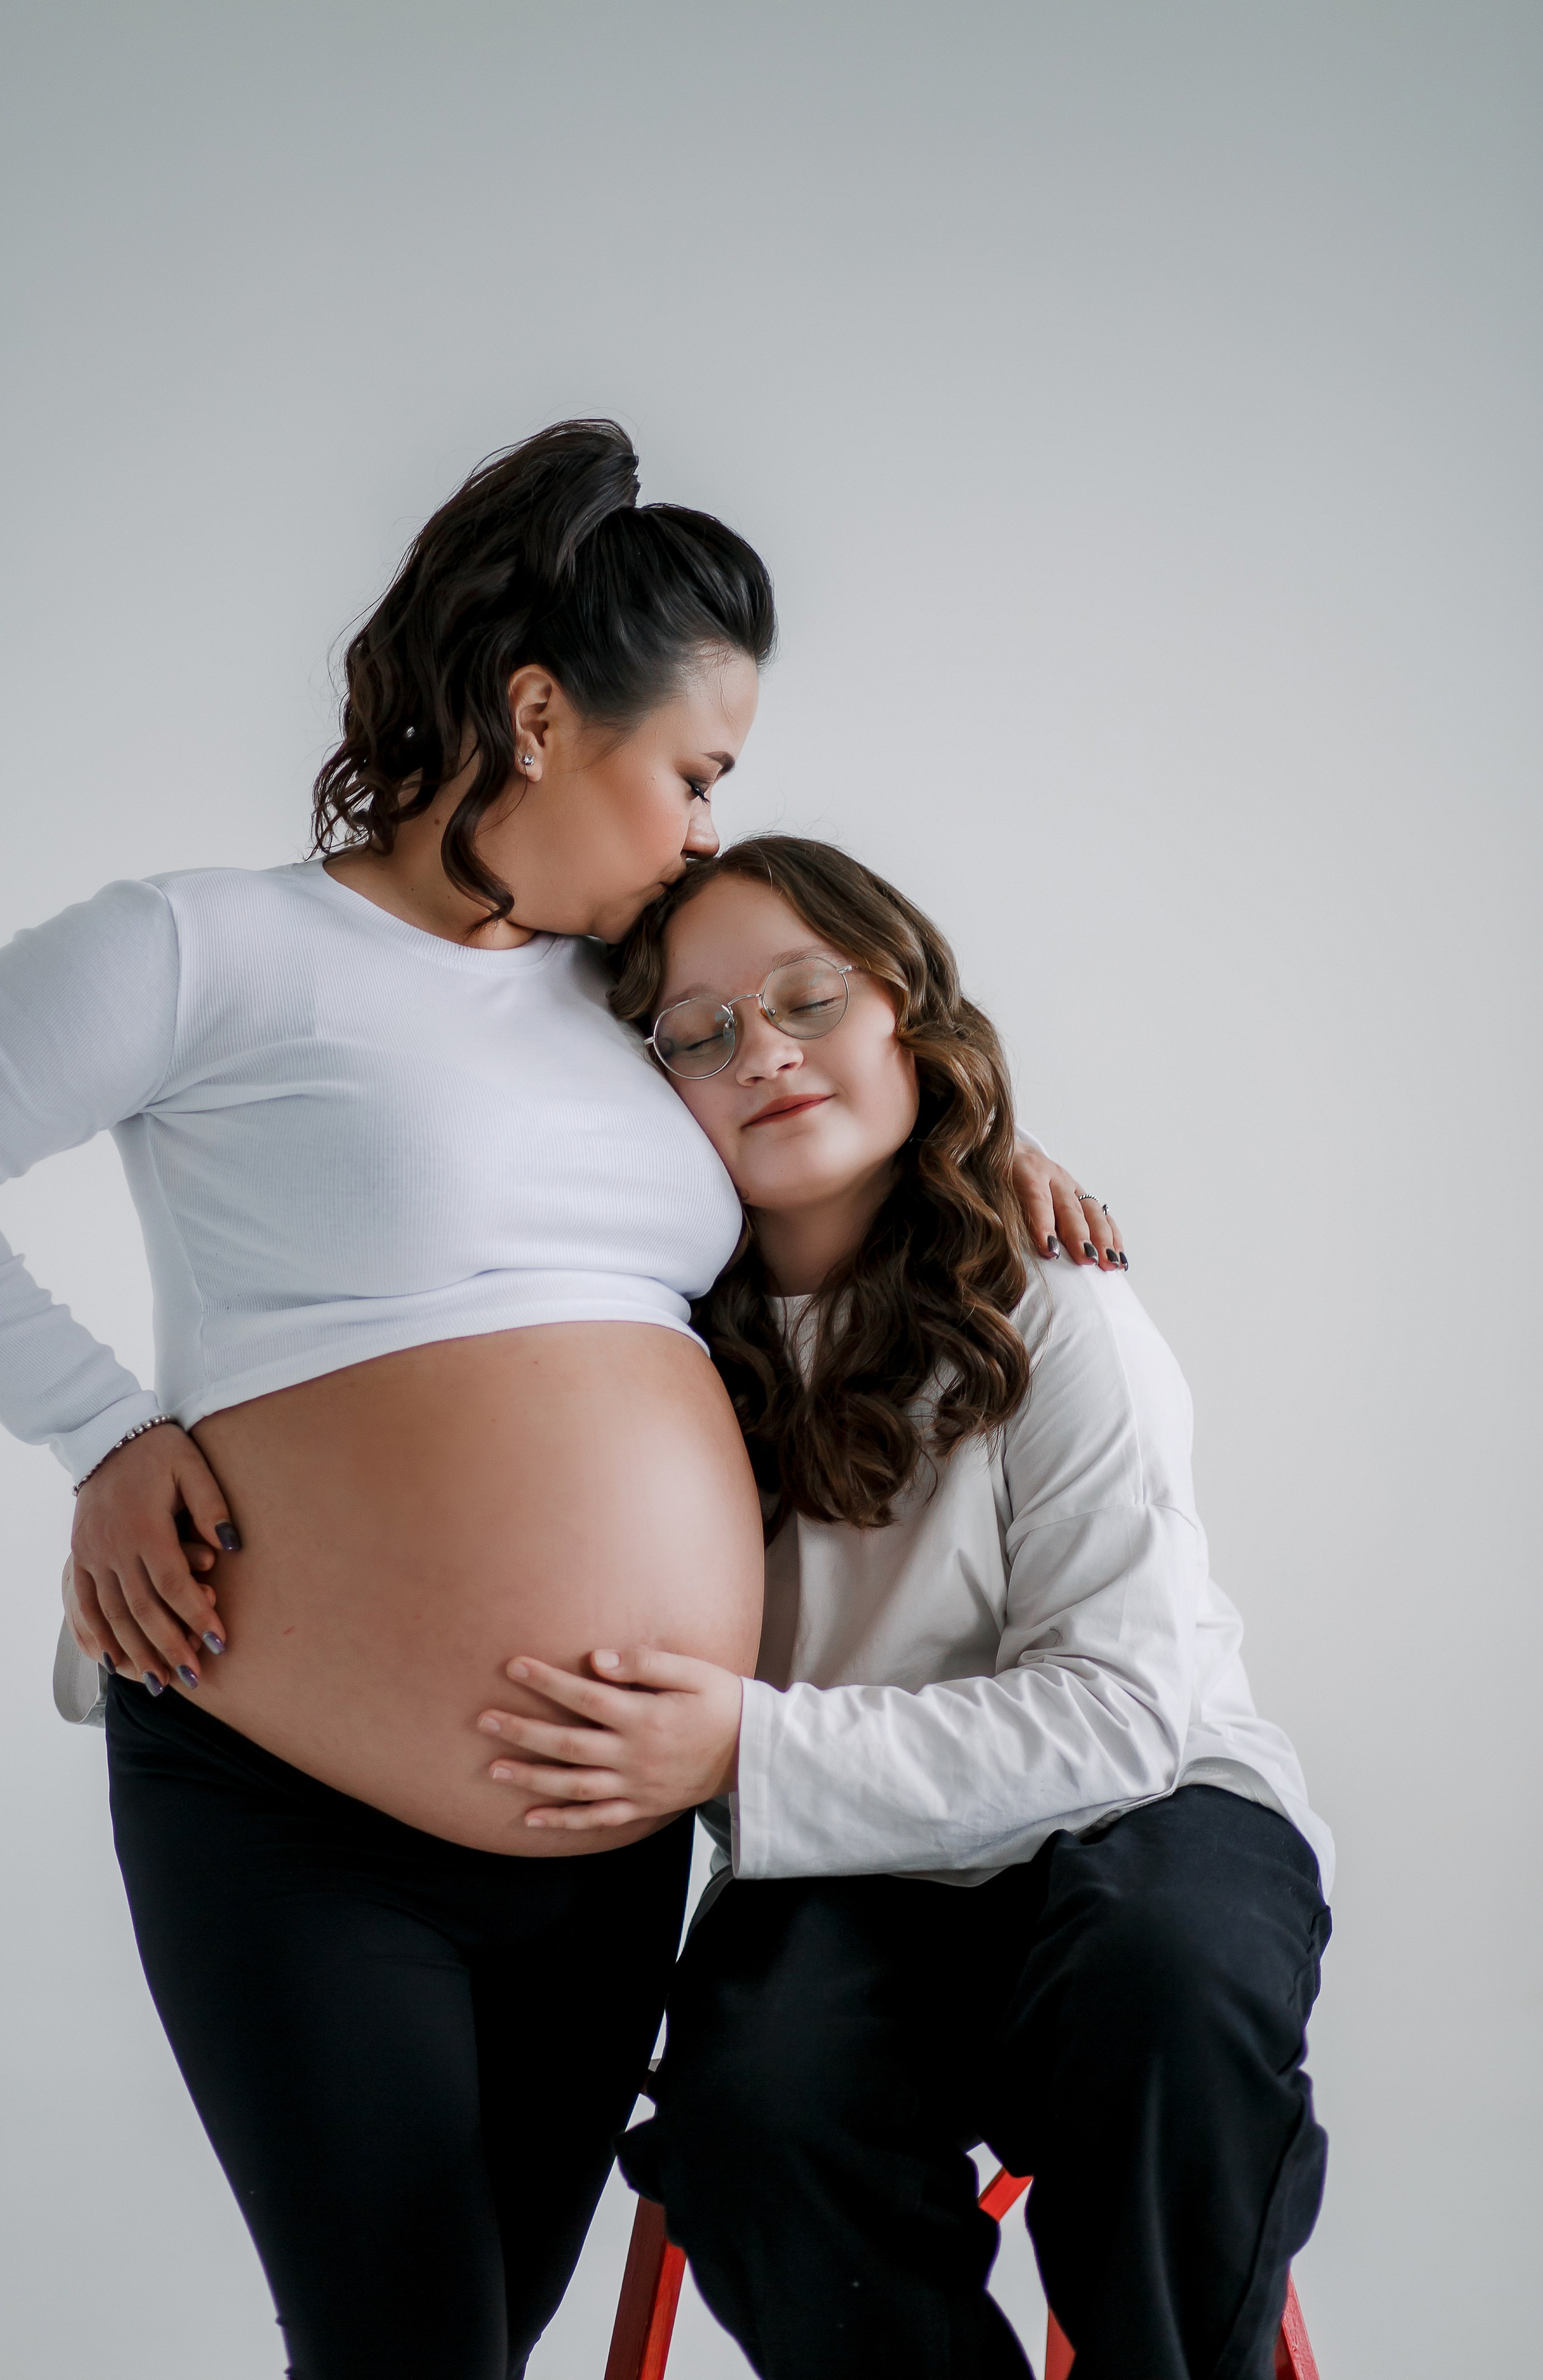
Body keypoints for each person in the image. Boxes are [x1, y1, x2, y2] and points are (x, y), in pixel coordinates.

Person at [0, 433, 1100, 2378]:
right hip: (295, 1809)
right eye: (694, 774)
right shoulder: (214, 949)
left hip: (614, 1828)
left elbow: (818, 1073)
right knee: (407, 2340)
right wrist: (99, 1431)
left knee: (486, 2330)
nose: (701, 833)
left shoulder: (634, 1002)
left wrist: (986, 1154)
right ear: (543, 713)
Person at [475, 835, 1332, 2380]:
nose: (768, 1054)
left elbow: (1122, 1718)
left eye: (810, 997)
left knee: (1163, 1985)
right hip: (854, 1868)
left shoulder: (1053, 1300)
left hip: (1146, 1813)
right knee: (751, 2111)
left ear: (905, 1018)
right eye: (701, 1030)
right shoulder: (633, 1346)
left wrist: (737, 1749)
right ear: (643, 1083)